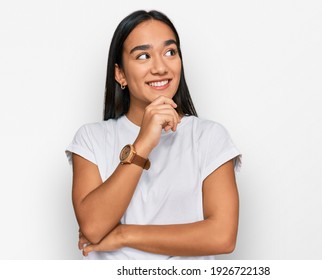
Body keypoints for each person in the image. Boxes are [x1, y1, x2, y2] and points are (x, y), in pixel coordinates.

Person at [65, 10, 241, 260]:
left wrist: (125, 235)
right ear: (120, 74)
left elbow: (222, 236)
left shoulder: (209, 137)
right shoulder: (91, 139)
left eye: (170, 52)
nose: (160, 67)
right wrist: (143, 143)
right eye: (143, 56)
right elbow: (93, 227)